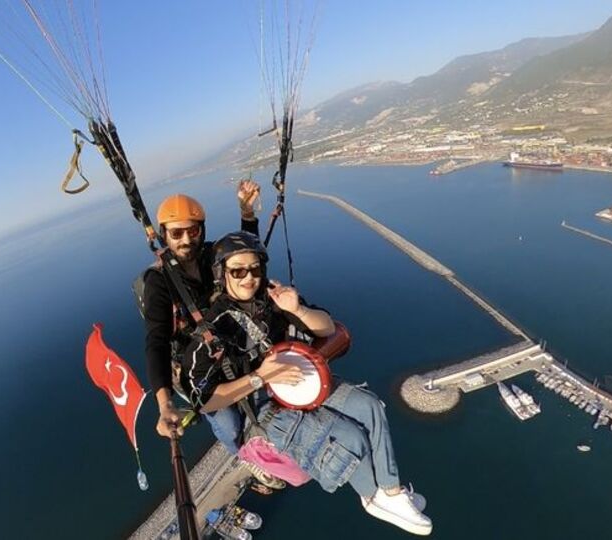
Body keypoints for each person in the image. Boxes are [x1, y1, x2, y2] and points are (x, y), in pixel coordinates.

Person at [180, 231, 433, 536]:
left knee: (369, 407)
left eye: (255, 269)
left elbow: (328, 328)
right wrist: (261, 376)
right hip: (261, 406)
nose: (249, 277)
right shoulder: (212, 330)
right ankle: (372, 497)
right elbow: (205, 400)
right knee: (350, 437)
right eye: (238, 271)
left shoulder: (272, 301)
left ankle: (391, 493)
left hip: (299, 383)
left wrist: (296, 309)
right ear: (223, 274)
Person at [140, 182, 286, 491]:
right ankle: (245, 456)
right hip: (196, 364)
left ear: (202, 230)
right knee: (228, 422)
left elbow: (245, 257)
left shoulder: (211, 256)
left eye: (192, 231)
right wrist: (164, 404)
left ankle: (271, 445)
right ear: (164, 234)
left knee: (261, 398)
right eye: (176, 233)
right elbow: (156, 340)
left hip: (231, 346)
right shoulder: (160, 280)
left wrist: (247, 212)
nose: (185, 240)